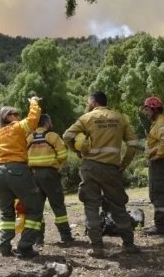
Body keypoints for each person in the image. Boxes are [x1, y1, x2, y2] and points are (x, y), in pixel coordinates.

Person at [62, 91, 141, 258]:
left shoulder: (87, 118)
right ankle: (129, 245)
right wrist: (123, 164)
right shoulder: (120, 118)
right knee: (118, 206)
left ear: (94, 102)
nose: (87, 103)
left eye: (88, 101)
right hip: (112, 169)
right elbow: (133, 144)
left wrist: (77, 151)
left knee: (91, 206)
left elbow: (67, 136)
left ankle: (97, 248)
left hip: (90, 168)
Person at [0, 96, 43, 258]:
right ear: (7, 117)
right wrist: (33, 102)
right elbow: (33, 119)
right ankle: (25, 246)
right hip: (18, 170)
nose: (17, 116)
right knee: (35, 208)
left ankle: (4, 248)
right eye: (14, 113)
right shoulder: (17, 127)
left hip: (0, 172)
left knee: (7, 213)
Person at [26, 114, 74, 245]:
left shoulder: (29, 138)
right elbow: (63, 155)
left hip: (33, 175)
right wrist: (56, 163)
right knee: (58, 205)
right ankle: (65, 236)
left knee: (36, 207)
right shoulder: (53, 136)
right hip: (49, 174)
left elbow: (23, 156)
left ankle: (38, 238)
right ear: (47, 123)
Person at [141, 96, 164, 235]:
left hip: (159, 163)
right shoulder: (158, 122)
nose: (146, 112)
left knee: (157, 194)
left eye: (147, 109)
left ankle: (160, 226)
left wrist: (158, 155)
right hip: (160, 162)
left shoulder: (161, 123)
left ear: (154, 109)